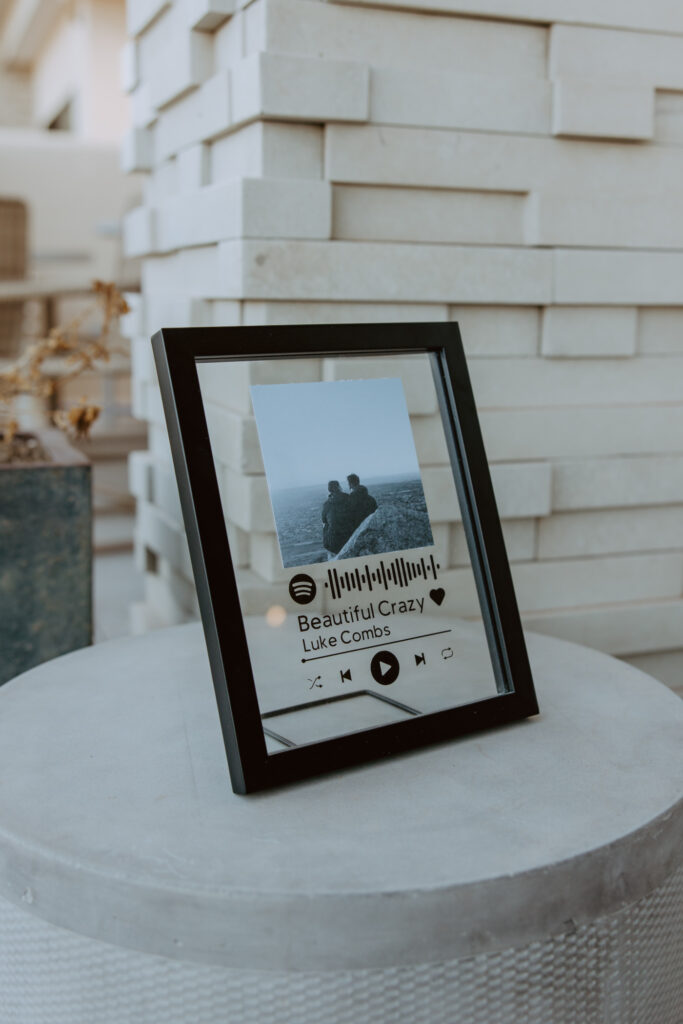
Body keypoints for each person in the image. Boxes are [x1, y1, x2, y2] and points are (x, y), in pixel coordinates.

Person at [322, 481, 355, 557]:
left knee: (326, 525)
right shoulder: (348, 498)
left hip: (334, 542)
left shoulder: (327, 504)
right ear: (339, 487)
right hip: (349, 535)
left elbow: (324, 520)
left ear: (329, 490)